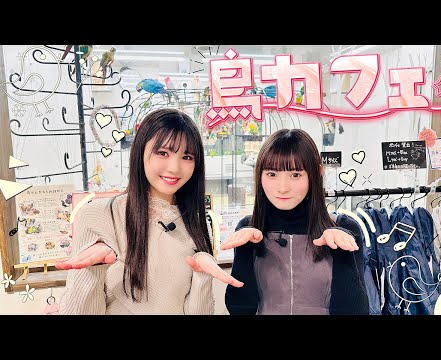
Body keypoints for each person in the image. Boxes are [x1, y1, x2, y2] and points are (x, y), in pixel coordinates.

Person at [56, 108, 242, 315]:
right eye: (163, 153)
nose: (174, 167)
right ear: (140, 152)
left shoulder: (197, 223)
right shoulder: (98, 215)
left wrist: (202, 275)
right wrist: (93, 270)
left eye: (187, 157)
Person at [222, 129, 369, 315]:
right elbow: (240, 310)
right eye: (272, 174)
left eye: (295, 175)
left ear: (317, 172)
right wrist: (244, 250)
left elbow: (356, 311)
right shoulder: (249, 228)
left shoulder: (344, 228)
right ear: (259, 175)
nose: (282, 188)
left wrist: (342, 254)